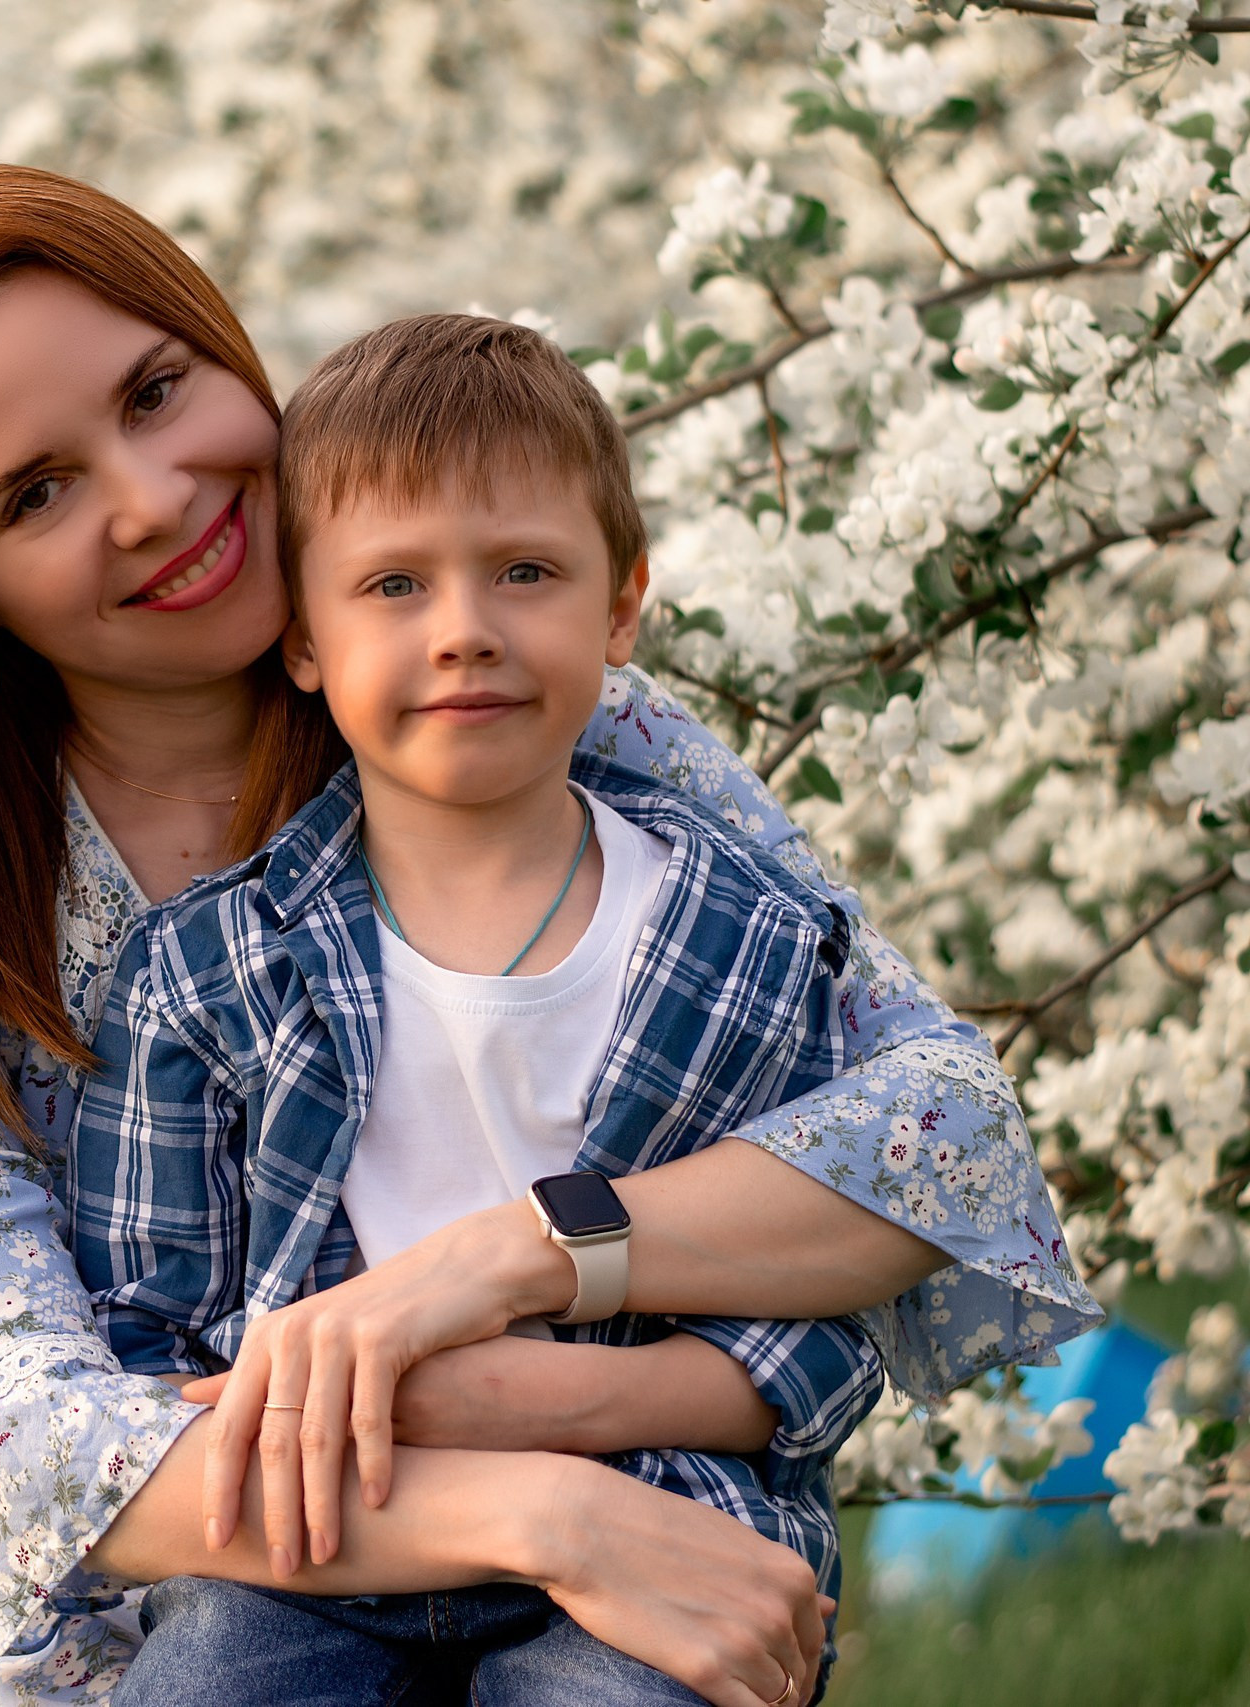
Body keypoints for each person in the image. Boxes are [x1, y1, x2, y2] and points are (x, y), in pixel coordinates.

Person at [0, 165, 1099, 1707]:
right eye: (36, 493)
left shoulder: (507, 709)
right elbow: (24, 1418)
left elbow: (942, 1129)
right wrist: (545, 1504)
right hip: (151, 1640)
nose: (152, 496)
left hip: (625, 1563)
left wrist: (507, 1260)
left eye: (156, 390)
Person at [74, 313, 952, 1705]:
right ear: (303, 637)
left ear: (621, 605)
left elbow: (828, 1327)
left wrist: (556, 1402)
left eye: (526, 571)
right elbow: (146, 1343)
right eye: (395, 584)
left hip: (668, 1517)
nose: (466, 630)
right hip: (325, 1537)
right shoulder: (212, 974)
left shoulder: (747, 939)